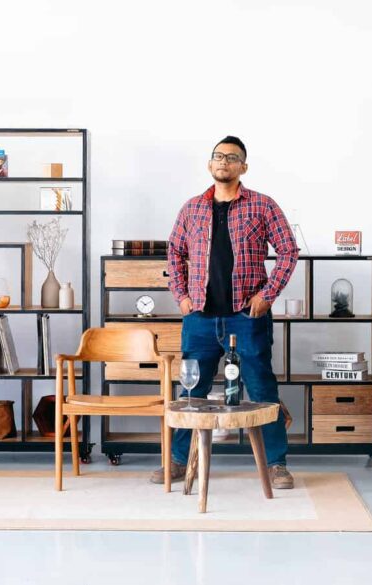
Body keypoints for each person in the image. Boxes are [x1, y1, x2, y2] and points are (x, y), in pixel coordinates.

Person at [151, 136, 299, 489]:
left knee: (261, 389)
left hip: (246, 317)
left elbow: (288, 251)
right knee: (191, 392)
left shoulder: (262, 205)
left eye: (232, 157)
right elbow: (174, 252)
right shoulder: (191, 208)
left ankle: (276, 464)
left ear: (243, 167)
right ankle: (179, 460)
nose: (224, 161)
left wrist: (267, 296)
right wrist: (181, 296)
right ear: (210, 164)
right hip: (199, 318)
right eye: (218, 156)